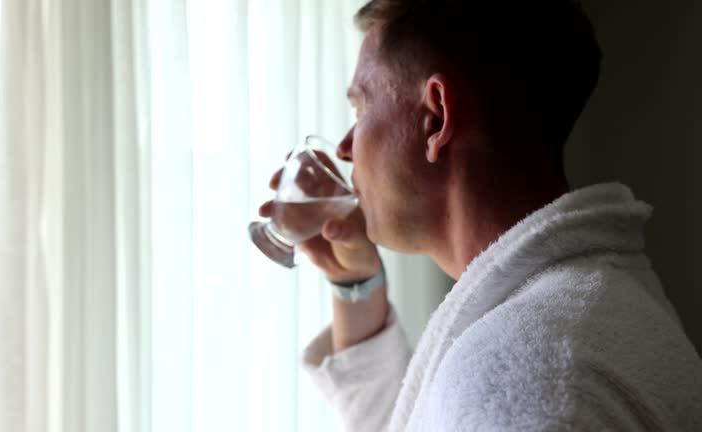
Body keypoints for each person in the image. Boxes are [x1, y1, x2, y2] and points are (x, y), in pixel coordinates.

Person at [259, 0, 702, 430]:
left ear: (436, 118)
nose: (344, 147)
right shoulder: (573, 320)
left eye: (361, 108)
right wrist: (355, 284)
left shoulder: (536, 374)